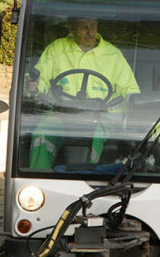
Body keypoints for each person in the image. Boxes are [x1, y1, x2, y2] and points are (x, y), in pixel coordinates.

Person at [28, 16, 139, 170]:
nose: (90, 32)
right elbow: (42, 80)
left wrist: (117, 117)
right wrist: (34, 86)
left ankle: (86, 181)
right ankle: (37, 181)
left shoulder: (114, 55)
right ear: (71, 30)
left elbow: (129, 93)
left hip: (101, 116)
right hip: (61, 114)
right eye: (84, 27)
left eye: (93, 26)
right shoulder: (57, 49)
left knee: (93, 137)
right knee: (42, 134)